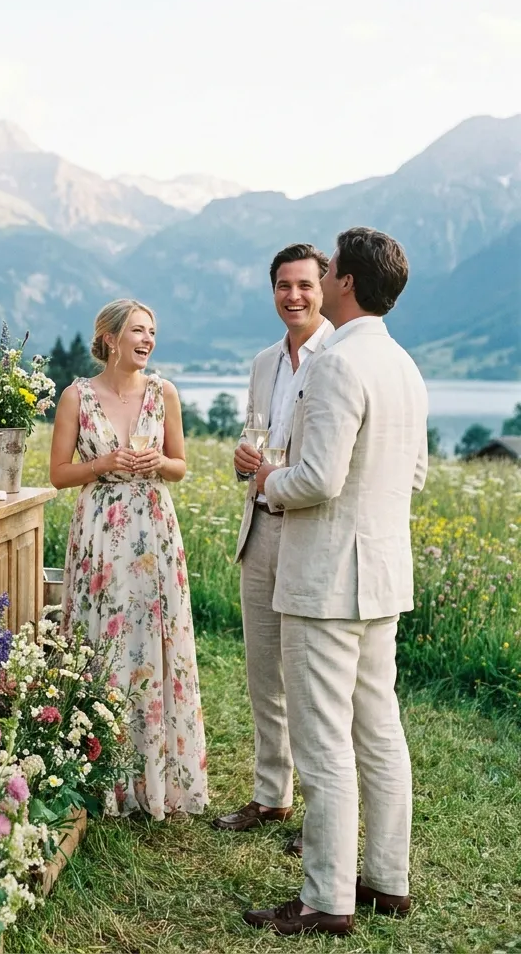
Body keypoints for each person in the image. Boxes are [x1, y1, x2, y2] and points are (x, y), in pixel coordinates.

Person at [244, 227, 428, 936]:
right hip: (382, 573)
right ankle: (387, 879)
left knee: (324, 742)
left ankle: (325, 899)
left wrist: (268, 478)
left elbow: (318, 479)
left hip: (324, 579)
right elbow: (410, 475)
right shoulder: (405, 366)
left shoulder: (336, 366)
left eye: (331, 271)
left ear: (344, 282)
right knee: (379, 730)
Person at [51, 299, 207, 820]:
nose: (148, 340)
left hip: (154, 528)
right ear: (111, 338)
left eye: (153, 332)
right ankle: (101, 774)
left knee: (153, 641)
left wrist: (158, 461)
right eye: (139, 331)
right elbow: (58, 474)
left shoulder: (165, 393)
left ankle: (157, 776)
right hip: (100, 528)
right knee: (102, 640)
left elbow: (180, 465)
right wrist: (103, 463)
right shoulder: (76, 396)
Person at [212, 244, 333, 853]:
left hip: (309, 533)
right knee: (264, 673)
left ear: (326, 286)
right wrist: (243, 459)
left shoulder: (338, 357)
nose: (294, 296)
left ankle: (323, 814)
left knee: (308, 682)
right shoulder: (264, 362)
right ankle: (271, 795)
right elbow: (256, 436)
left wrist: (277, 471)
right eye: (284, 285)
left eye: (305, 285)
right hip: (258, 527)